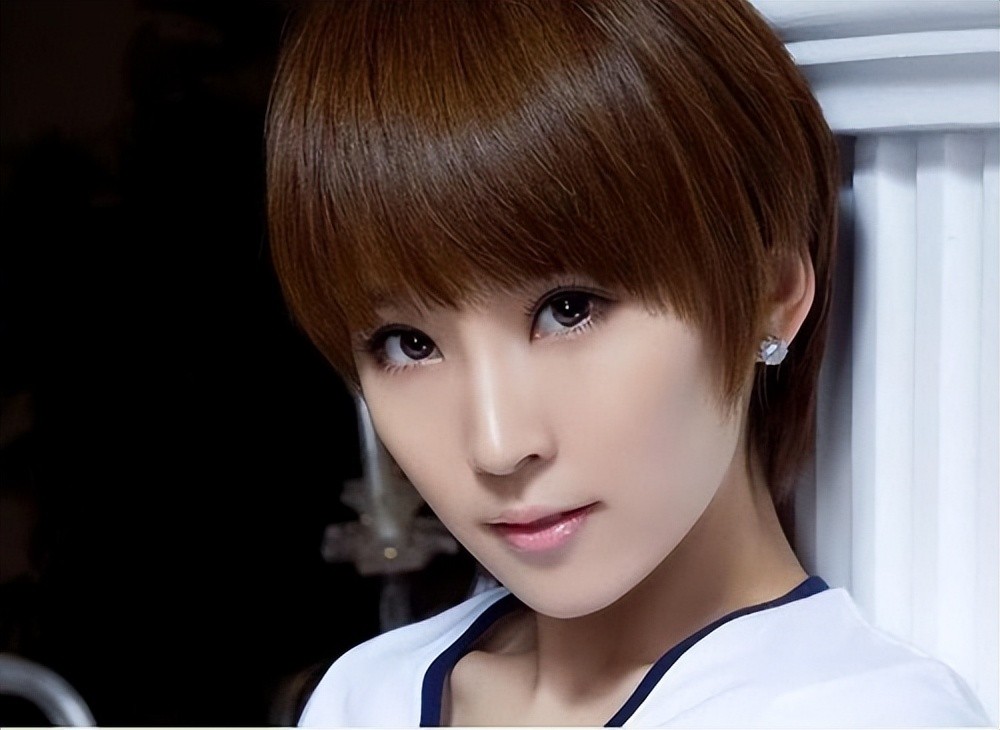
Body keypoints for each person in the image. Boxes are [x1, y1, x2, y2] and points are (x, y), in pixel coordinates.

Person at [265, 0, 991, 726]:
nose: (498, 445)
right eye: (408, 344)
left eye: (568, 309)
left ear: (770, 293)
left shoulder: (857, 714)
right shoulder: (363, 695)